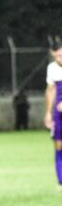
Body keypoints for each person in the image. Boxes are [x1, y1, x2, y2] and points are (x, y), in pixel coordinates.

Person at [44, 41, 62, 188]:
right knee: (58, 145)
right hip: (58, 113)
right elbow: (50, 91)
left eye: (61, 55)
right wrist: (48, 113)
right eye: (55, 56)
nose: (58, 59)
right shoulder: (52, 68)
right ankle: (61, 180)